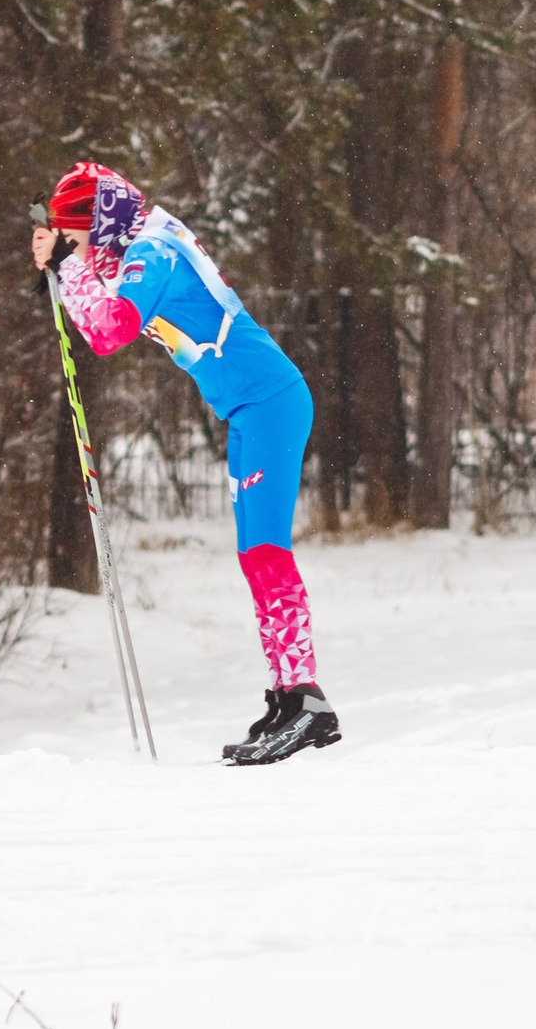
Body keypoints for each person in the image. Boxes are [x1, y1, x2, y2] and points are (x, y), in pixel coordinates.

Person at [32, 161, 339, 765]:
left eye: (79, 232)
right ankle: (288, 696)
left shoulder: (152, 254)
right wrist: (61, 262)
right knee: (256, 557)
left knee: (269, 555)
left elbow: (110, 330)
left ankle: (305, 699)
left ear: (104, 222)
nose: (81, 247)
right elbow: (97, 296)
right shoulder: (135, 249)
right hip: (249, 411)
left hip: (271, 401)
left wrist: (65, 264)